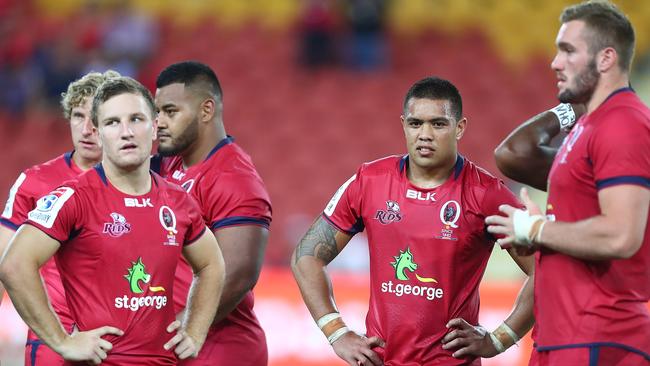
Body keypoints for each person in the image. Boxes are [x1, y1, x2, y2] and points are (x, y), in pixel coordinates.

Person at [291, 76, 535, 365]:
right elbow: (306, 256)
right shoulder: (369, 181)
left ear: (460, 128)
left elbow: (545, 270)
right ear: (404, 124)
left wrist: (500, 339)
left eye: (438, 124)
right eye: (416, 123)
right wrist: (336, 331)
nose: (425, 134)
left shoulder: (486, 194)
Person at [0, 76, 226, 365]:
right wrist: (62, 340)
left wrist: (195, 331)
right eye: (112, 123)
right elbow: (13, 264)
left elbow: (212, 264)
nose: (126, 132)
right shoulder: (73, 197)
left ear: (155, 126)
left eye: (136, 119)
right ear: (101, 133)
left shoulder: (178, 200)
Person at [487, 1, 650, 364]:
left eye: (568, 51)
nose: (554, 62)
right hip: (560, 335)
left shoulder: (624, 124)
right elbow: (513, 153)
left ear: (606, 58)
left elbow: (621, 235)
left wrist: (537, 228)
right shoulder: (591, 126)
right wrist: (542, 233)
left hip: (597, 335)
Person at [153, 61, 272, 365]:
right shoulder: (170, 165)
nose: (159, 123)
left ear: (206, 111)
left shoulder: (233, 177)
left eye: (170, 111)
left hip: (216, 350)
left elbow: (238, 273)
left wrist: (182, 331)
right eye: (157, 113)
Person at [0, 70, 120, 365]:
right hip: (53, 339)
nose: (86, 128)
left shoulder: (145, 185)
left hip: (123, 340)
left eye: (97, 117)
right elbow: (4, 259)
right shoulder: (35, 182)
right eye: (78, 116)